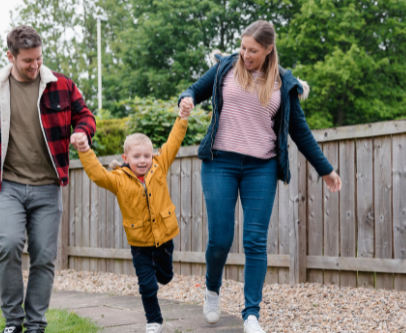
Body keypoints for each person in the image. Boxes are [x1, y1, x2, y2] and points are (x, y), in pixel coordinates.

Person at [178, 20, 342, 333]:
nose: (245, 54)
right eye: (243, 47)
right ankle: (212, 290)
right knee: (220, 238)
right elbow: (194, 91)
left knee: (255, 241)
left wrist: (326, 169)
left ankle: (251, 314)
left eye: (252, 50)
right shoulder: (226, 68)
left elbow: (300, 132)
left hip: (262, 167)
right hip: (219, 162)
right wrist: (185, 99)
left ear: (268, 50)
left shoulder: (283, 83)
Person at [0, 25, 96, 333]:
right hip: (7, 186)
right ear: (11, 57)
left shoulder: (62, 86)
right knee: (8, 244)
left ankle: (35, 325)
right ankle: (13, 322)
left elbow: (85, 116)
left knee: (44, 256)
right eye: (28, 61)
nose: (35, 66)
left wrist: (82, 132)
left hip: (47, 187)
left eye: (39, 59)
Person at [71, 105, 191, 333]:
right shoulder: (119, 179)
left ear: (152, 155)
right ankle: (154, 321)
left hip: (164, 238)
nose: (143, 160)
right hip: (140, 244)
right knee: (147, 286)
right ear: (126, 158)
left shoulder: (159, 165)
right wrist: (85, 150)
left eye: (147, 155)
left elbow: (174, 142)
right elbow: (97, 174)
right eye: (137, 156)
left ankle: (161, 274)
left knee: (165, 277)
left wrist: (182, 117)